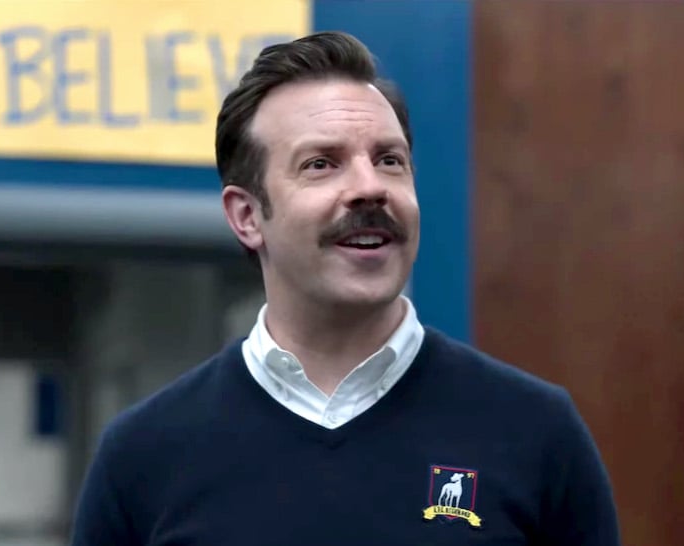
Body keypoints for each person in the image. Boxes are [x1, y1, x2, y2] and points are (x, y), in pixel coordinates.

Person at [69, 30, 621, 546]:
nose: (369, 187)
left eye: (389, 160)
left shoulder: (537, 433)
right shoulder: (142, 456)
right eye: (321, 164)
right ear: (247, 216)